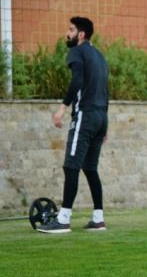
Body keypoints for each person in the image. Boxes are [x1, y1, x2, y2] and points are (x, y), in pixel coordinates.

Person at [38, 17, 109, 234]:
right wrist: (105, 125)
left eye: (70, 30)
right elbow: (105, 90)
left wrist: (62, 108)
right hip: (100, 118)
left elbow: (77, 81)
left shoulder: (77, 52)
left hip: (85, 116)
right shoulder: (100, 56)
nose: (66, 34)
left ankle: (63, 219)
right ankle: (98, 219)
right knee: (90, 168)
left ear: (81, 34)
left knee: (71, 165)